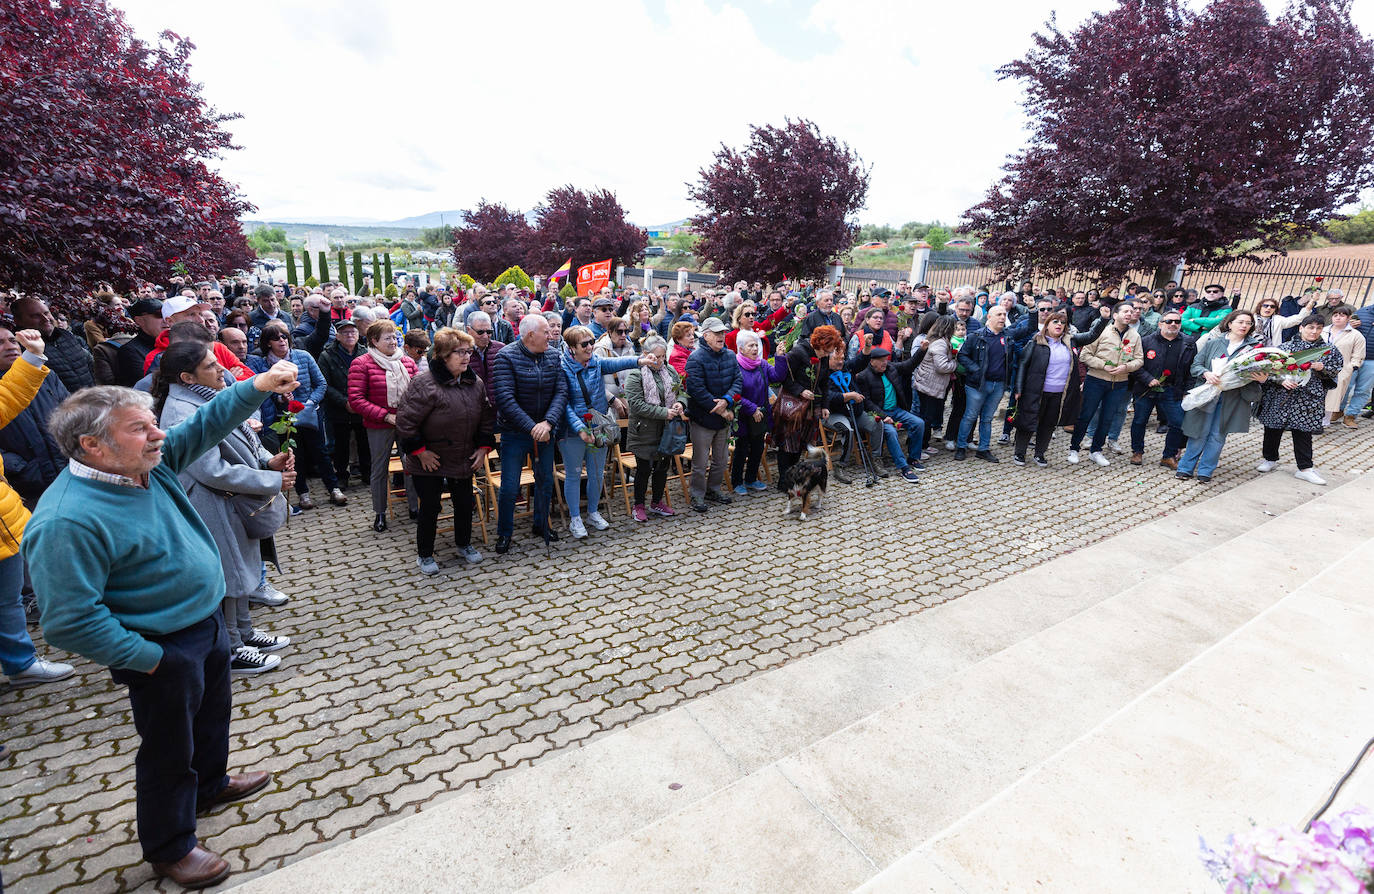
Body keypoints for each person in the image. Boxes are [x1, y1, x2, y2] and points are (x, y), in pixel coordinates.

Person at [25, 358, 300, 888]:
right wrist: (151, 659)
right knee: (167, 749)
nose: (158, 434)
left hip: (206, 623)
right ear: (92, 446)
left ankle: (212, 784)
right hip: (156, 647)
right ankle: (171, 846)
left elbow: (206, 422)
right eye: (141, 427)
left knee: (211, 716)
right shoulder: (65, 521)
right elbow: (70, 622)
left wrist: (258, 385)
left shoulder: (145, 462)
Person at [153, 342, 293, 674]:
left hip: (230, 501)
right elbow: (211, 470)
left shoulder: (209, 394)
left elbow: (244, 438)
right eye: (211, 366)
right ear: (187, 377)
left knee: (243, 566)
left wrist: (267, 460)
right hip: (211, 502)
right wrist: (270, 481)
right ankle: (231, 648)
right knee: (228, 575)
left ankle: (244, 631)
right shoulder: (180, 411)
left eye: (218, 363)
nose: (221, 370)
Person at [0, 327, 75, 688]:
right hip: (17, 500)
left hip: (5, 520)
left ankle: (20, 663)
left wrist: (31, 356)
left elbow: (8, 396)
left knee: (8, 600)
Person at [396, 327, 494, 573]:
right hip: (430, 459)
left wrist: (483, 449)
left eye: (468, 351)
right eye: (458, 352)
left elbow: (485, 417)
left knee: (464, 502)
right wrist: (419, 452)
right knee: (430, 506)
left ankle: (464, 544)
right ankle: (425, 555)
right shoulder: (424, 383)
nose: (465, 357)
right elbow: (406, 422)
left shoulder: (474, 381)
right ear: (442, 355)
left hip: (463, 455)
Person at [560, 326, 650, 538]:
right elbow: (564, 405)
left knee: (597, 472)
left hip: (598, 426)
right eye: (585, 344)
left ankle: (593, 513)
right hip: (573, 431)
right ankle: (575, 518)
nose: (590, 347)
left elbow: (615, 363)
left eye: (591, 341)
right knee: (573, 474)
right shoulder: (561, 369)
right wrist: (580, 429)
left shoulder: (596, 362)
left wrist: (639, 361)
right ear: (572, 348)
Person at [247, 323, 345, 511]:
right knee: (293, 455)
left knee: (321, 452)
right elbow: (263, 391)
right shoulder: (265, 364)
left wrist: (308, 403)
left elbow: (321, 384)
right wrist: (279, 397)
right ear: (268, 343)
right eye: (276, 338)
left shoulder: (303, 356)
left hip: (308, 414)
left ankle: (334, 489)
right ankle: (303, 494)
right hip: (283, 418)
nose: (282, 341)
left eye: (284, 336)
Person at [491, 314, 567, 552]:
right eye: (545, 331)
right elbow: (505, 399)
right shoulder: (506, 356)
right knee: (510, 486)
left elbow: (561, 392)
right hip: (515, 432)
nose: (551, 335)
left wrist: (548, 422)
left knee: (544, 481)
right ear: (530, 335)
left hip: (545, 430)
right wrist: (531, 427)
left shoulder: (554, 355)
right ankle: (504, 533)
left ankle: (541, 523)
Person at [1176, 311, 1266, 483]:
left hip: (1233, 397)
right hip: (1208, 394)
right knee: (1198, 432)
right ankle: (1185, 468)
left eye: (1248, 323)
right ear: (1230, 323)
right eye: (1240, 322)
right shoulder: (1214, 343)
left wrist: (1262, 378)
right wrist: (1206, 373)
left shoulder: (1255, 348)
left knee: (1218, 434)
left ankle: (1205, 471)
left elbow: (1262, 371)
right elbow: (1196, 365)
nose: (1244, 326)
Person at [348, 319, 418, 533]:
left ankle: (415, 508)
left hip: (406, 423)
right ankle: (379, 513)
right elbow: (356, 399)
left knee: (412, 464)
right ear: (374, 341)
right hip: (379, 424)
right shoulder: (362, 363)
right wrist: (386, 416)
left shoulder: (406, 362)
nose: (393, 341)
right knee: (379, 469)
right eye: (387, 338)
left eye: (395, 337)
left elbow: (417, 392)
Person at [1012, 312, 1108, 467]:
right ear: (1047, 324)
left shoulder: (1071, 341)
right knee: (1028, 421)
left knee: (1049, 424)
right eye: (1055, 321)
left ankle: (1039, 454)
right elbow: (1022, 364)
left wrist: (1103, 319)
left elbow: (1091, 335)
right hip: (1035, 391)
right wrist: (1018, 388)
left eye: (1062, 322)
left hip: (1059, 394)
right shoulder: (1036, 342)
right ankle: (1020, 453)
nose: (1059, 325)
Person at [1256, 316, 1342, 486]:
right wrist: (1281, 380)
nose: (1314, 331)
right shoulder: (1285, 347)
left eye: (1318, 328)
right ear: (1301, 328)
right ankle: (1270, 459)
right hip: (1281, 394)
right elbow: (1270, 369)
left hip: (1309, 396)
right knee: (1273, 427)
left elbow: (1337, 368)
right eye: (1310, 327)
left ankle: (1305, 468)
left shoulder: (1328, 349)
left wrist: (1323, 368)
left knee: (1303, 431)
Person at [0, 322, 70, 507]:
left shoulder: (46, 375)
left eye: (13, 341)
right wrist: (20, 468)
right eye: (0, 343)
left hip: (68, 473)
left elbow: (71, 412)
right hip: (29, 489)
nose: (10, 346)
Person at [1067, 302, 1143, 466]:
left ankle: (1096, 451)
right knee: (1086, 415)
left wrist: (1127, 367)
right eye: (1125, 311)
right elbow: (1084, 356)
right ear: (1115, 315)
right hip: (1096, 380)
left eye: (1131, 311)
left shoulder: (1135, 336)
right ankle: (1074, 449)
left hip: (1120, 383)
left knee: (1107, 418)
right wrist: (1103, 365)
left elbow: (1139, 360)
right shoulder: (1101, 331)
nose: (1129, 314)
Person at [623, 336, 687, 522]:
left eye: (662, 356)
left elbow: (681, 392)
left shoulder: (670, 370)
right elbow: (636, 405)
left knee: (662, 467)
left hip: (666, 430)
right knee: (644, 469)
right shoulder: (635, 375)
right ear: (645, 354)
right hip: (643, 431)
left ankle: (657, 502)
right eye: (656, 356)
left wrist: (680, 404)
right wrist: (663, 412)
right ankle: (639, 505)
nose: (660, 361)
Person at [683, 317, 742, 512]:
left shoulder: (730, 355)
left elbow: (737, 381)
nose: (721, 336)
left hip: (723, 417)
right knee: (700, 462)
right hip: (703, 418)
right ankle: (697, 495)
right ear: (705, 335)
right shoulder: (695, 358)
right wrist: (722, 410)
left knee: (721, 459)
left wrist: (727, 400)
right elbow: (696, 390)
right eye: (716, 333)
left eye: (723, 333)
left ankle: (713, 489)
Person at [777, 324, 843, 487]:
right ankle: (784, 481)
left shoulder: (824, 357)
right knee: (788, 444)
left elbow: (825, 383)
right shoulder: (798, 352)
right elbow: (783, 378)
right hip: (793, 406)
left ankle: (793, 476)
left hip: (812, 407)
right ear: (820, 343)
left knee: (800, 443)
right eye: (827, 350)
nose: (827, 354)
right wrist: (800, 391)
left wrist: (826, 405)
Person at [1128, 310, 1194, 469]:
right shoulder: (1145, 341)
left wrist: (1187, 391)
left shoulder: (1189, 342)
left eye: (1177, 322)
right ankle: (1137, 451)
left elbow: (1191, 369)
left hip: (1173, 390)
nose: (1173, 324)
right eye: (1169, 321)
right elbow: (1134, 364)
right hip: (1146, 389)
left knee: (1178, 423)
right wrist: (1148, 379)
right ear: (1160, 323)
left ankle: (1168, 456)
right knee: (1139, 421)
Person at [854, 346, 926, 482]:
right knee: (892, 433)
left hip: (896, 410)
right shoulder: (864, 376)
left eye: (885, 360)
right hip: (879, 414)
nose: (884, 363)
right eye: (881, 361)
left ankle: (913, 457)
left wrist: (922, 350)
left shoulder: (890, 368)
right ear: (872, 362)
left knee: (919, 423)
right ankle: (904, 468)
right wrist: (883, 416)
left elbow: (909, 365)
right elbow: (867, 402)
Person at [731, 330, 787, 495]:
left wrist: (780, 357)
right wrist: (751, 408)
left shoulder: (761, 364)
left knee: (757, 448)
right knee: (741, 449)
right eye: (751, 345)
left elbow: (777, 376)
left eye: (756, 345)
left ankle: (751, 479)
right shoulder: (735, 366)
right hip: (742, 416)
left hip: (761, 415)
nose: (755, 348)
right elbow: (735, 394)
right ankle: (736, 481)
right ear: (741, 349)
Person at [955, 305, 1013, 462]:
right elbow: (962, 356)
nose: (1002, 317)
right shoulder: (976, 336)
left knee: (987, 418)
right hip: (977, 385)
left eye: (1004, 315)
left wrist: (1033, 309)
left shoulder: (1007, 337)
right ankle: (961, 447)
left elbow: (1028, 328)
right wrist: (976, 369)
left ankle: (983, 449)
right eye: (999, 314)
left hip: (998, 385)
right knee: (970, 416)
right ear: (989, 317)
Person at [318, 317, 369, 489]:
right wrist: (344, 402)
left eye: (353, 331)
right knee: (340, 445)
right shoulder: (326, 355)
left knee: (364, 443)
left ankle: (367, 473)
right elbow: (324, 384)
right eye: (345, 332)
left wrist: (360, 401)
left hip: (362, 408)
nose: (350, 335)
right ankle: (341, 475)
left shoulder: (365, 353)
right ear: (337, 336)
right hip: (339, 409)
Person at [12, 297, 93, 393]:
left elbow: (90, 366)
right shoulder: (19, 350)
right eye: (35, 316)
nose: (45, 319)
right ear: (18, 321)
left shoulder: (67, 336)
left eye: (46, 313)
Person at [912, 315, 958, 457]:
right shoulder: (940, 343)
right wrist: (955, 363)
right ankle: (919, 448)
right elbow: (942, 366)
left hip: (926, 382)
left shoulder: (936, 340)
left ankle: (922, 444)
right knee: (926, 418)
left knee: (924, 416)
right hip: (929, 385)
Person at [1322, 305, 1365, 425]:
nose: (1338, 318)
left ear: (1348, 318)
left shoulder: (1355, 335)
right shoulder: (1323, 331)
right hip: (1320, 367)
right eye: (1335, 315)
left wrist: (1352, 367)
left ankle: (1324, 421)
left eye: (1342, 315)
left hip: (1341, 369)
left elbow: (1358, 354)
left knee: (1333, 396)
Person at [115, 298, 166, 386]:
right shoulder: (129, 351)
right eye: (159, 315)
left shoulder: (177, 341)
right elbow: (148, 386)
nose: (166, 319)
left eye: (167, 314)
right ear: (139, 320)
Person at [1342, 300, 1374, 425]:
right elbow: (1345, 330)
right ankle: (1338, 410)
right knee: (1345, 385)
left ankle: (1351, 415)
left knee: (1363, 390)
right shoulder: (1362, 312)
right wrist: (1349, 325)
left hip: (1372, 360)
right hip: (1353, 357)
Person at [465, 311, 504, 407]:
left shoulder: (501, 349)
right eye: (480, 332)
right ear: (468, 330)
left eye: (489, 332)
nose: (485, 336)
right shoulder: (459, 352)